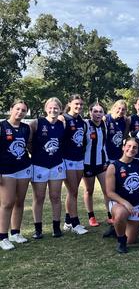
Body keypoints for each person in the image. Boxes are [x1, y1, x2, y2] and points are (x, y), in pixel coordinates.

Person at [29, 98, 66, 239]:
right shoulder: (37, 123)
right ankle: (38, 230)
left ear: (60, 109)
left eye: (56, 108)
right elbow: (29, 141)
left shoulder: (62, 124)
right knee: (39, 198)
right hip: (39, 165)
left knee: (56, 197)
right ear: (46, 108)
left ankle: (56, 228)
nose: (53, 110)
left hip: (56, 165)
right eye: (50, 108)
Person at [0, 100, 32, 250]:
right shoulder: (2, 126)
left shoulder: (26, 128)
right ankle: (3, 237)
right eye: (17, 109)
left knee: (20, 202)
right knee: (7, 203)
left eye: (23, 110)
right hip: (7, 170)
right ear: (11, 109)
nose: (20, 112)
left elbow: (29, 145)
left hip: (24, 167)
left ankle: (15, 233)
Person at [105, 138, 139, 253]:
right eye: (129, 146)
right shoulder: (113, 166)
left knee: (131, 240)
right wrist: (125, 203)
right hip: (119, 203)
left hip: (136, 204)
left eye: (135, 147)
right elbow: (110, 192)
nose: (131, 149)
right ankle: (121, 241)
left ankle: (116, 228)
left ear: (137, 151)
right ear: (123, 147)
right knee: (121, 213)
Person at [59, 95, 88, 235]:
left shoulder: (81, 121)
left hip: (79, 159)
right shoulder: (63, 118)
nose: (79, 106)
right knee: (73, 191)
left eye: (81, 104)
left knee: (73, 191)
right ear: (69, 103)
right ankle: (75, 223)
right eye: (76, 103)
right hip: (67, 159)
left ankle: (67, 221)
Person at [82, 102, 109, 228]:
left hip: (102, 163)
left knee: (107, 190)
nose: (98, 114)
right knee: (89, 190)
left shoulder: (105, 124)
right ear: (90, 112)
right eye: (95, 111)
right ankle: (91, 216)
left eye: (100, 111)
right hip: (88, 163)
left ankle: (110, 215)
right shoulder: (85, 124)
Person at [104, 100, 130, 164]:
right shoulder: (105, 119)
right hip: (106, 155)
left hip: (119, 155)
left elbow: (125, 136)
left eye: (123, 109)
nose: (120, 111)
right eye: (119, 108)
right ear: (114, 107)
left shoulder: (125, 120)